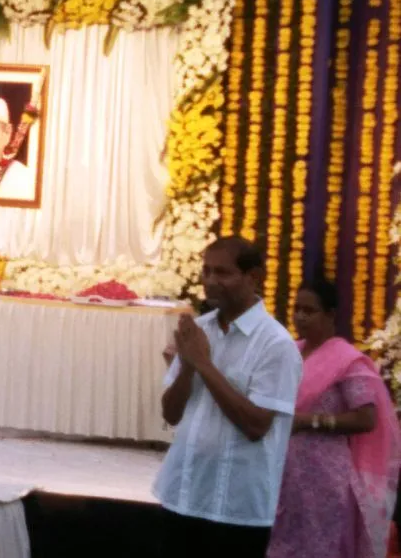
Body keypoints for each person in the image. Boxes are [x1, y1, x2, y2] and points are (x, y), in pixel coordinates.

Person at [153, 236, 303, 558]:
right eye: (206, 271)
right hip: (183, 493)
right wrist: (188, 367)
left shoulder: (276, 344)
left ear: (254, 277)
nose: (210, 282)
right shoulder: (198, 330)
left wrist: (203, 364)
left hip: (236, 511)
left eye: (222, 273)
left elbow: (256, 426)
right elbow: (171, 414)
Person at [267, 281, 401, 558]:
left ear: (330, 315)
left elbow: (367, 419)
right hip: (281, 469)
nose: (300, 316)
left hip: (324, 476)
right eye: (296, 309)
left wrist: (310, 421)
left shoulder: (347, 360)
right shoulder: (288, 352)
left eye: (309, 310)